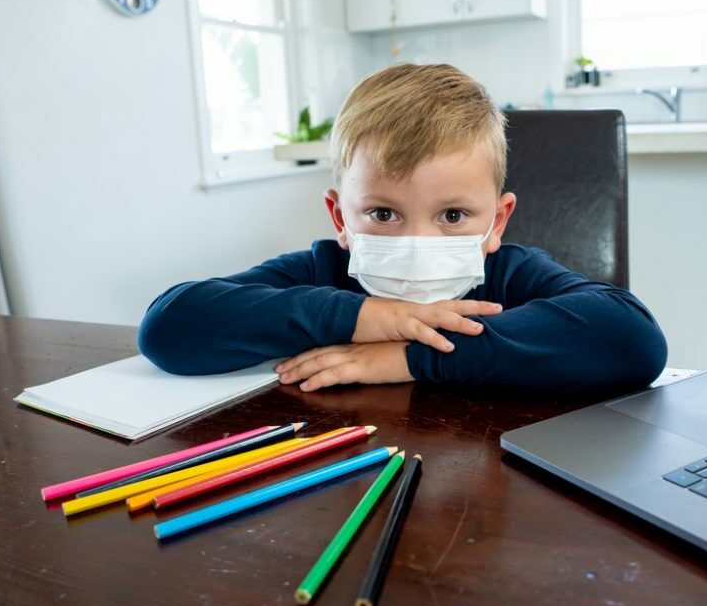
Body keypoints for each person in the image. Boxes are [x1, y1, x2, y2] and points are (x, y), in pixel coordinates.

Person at [138, 63, 667, 396]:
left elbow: (633, 340)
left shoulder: (511, 274)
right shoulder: (323, 271)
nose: (419, 244)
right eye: (384, 214)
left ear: (497, 221)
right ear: (341, 218)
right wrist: (369, 316)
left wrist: (412, 356)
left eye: (453, 216)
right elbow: (168, 327)